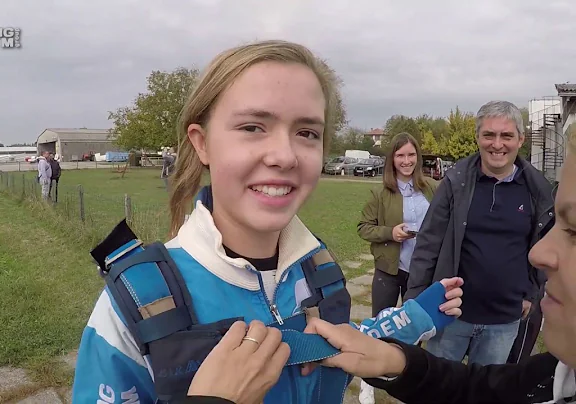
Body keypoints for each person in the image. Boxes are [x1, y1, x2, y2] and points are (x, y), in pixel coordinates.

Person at [71, 39, 464, 404]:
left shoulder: (319, 271)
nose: (285, 156)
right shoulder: (135, 303)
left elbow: (340, 352)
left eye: (307, 132)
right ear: (202, 143)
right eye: (252, 127)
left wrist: (416, 316)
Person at [175, 127, 576, 404]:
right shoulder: (556, 375)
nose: (538, 253)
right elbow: (486, 389)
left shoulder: (433, 188)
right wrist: (396, 359)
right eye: (250, 128)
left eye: (573, 231)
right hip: (390, 268)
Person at [403, 100, 555, 366]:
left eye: (506, 135)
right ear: (478, 138)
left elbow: (545, 247)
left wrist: (532, 293)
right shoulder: (455, 183)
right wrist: (416, 301)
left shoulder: (537, 190)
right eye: (489, 135)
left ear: (521, 139)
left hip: (504, 320)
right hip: (449, 314)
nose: (497, 144)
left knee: (484, 392)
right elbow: (428, 243)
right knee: (438, 390)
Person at [356, 132, 439, 403]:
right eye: (401, 155)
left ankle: (408, 378)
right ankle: (367, 381)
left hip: (421, 274)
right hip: (390, 271)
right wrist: (391, 232)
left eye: (411, 155)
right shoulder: (380, 193)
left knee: (415, 328)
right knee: (381, 326)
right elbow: (363, 228)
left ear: (418, 157)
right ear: (392, 159)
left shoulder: (432, 188)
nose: (406, 161)